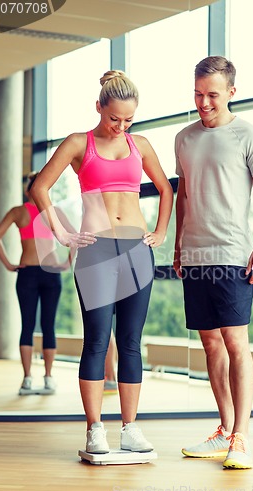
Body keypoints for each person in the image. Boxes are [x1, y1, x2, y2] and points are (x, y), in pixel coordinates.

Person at [31, 70, 173, 454]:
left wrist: (160, 232)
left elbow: (165, 188)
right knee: (96, 341)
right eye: (114, 118)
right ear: (99, 107)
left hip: (136, 252)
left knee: (130, 341)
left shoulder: (140, 144)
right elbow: (39, 187)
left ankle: (130, 427)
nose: (121, 126)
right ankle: (95, 428)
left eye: (128, 120)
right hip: (95, 251)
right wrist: (60, 233)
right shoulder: (79, 143)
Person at [173, 56, 253, 469]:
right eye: (198, 93)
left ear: (232, 92)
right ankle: (224, 428)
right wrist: (180, 244)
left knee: (236, 342)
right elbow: (183, 196)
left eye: (212, 95)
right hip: (196, 255)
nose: (203, 102)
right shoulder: (183, 139)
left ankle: (242, 438)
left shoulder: (248, 135)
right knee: (210, 342)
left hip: (234, 256)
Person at [0, 172, 63, 395]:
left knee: (31, 326)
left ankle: (33, 379)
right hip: (44, 273)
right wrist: (67, 261)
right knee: (43, 326)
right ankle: (39, 378)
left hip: (36, 273)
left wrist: (9, 265)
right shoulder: (40, 212)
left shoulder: (35, 212)